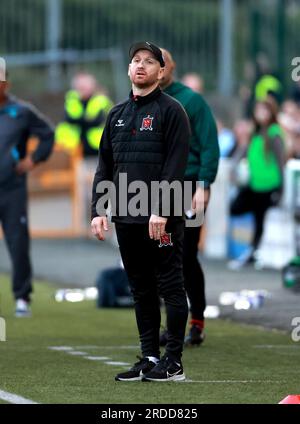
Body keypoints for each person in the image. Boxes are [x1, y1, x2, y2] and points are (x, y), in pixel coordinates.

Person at [91, 41, 190, 382]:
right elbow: (105, 165)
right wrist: (98, 209)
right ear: (128, 69)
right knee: (140, 287)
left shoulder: (172, 110)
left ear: (161, 72)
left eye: (150, 61)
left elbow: (176, 165)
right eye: (136, 60)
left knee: (171, 285)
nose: (142, 65)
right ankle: (149, 356)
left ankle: (173, 360)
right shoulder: (116, 115)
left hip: (161, 218)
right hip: (126, 216)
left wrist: (161, 209)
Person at [159, 49, 219, 346]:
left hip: (189, 185)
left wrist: (204, 185)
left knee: (187, 255)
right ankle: (171, 324)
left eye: (161, 61)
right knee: (161, 256)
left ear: (171, 66)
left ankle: (196, 321)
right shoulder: (142, 101)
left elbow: (209, 145)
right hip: (157, 189)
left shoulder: (192, 101)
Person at [0, 71, 54, 316]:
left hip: (12, 188)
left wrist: (32, 160)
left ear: (6, 84)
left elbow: (47, 134)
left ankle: (22, 298)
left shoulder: (21, 111)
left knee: (18, 242)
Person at [228, 100, 285, 270]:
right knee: (235, 208)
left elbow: (281, 162)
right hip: (253, 185)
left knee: (260, 220)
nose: (260, 114)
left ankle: (254, 252)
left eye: (264, 111)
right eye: (258, 110)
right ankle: (253, 250)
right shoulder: (255, 133)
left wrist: (281, 190)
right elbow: (243, 151)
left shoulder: (274, 133)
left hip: (268, 185)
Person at [55, 72, 113, 230]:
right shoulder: (71, 101)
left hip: (100, 154)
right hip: (79, 155)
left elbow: (96, 120)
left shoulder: (101, 101)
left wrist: (82, 121)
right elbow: (70, 120)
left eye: (85, 85)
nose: (82, 88)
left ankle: (106, 224)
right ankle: (86, 227)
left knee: (102, 190)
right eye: (79, 85)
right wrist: (85, 121)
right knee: (84, 194)